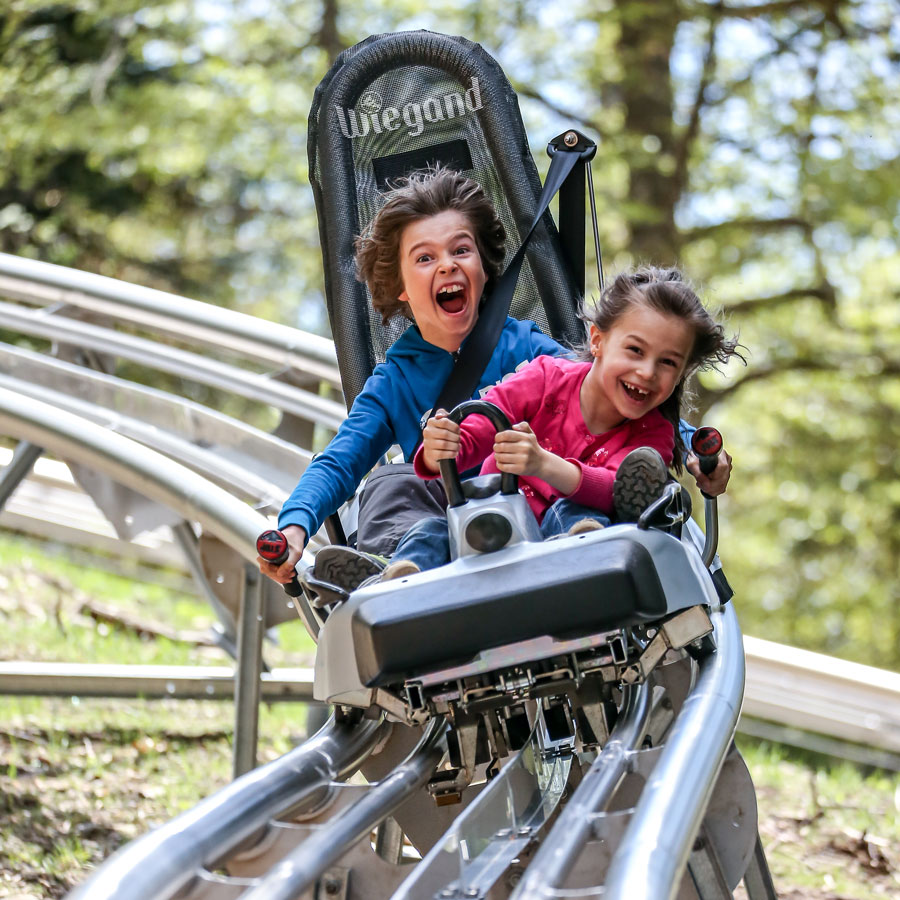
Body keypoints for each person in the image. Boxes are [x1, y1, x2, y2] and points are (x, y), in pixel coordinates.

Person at [257, 167, 571, 595]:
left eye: (461, 250)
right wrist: (294, 527)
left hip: (534, 511)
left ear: (482, 267)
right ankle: (388, 570)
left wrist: (685, 445)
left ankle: (576, 535)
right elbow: (339, 461)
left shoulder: (529, 348)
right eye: (425, 258)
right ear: (401, 286)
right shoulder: (394, 380)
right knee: (390, 481)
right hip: (437, 540)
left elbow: (605, 391)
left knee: (568, 453)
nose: (447, 265)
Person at [379, 266, 743, 578]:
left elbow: (618, 492)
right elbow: (475, 433)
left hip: (566, 553)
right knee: (430, 531)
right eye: (635, 350)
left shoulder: (654, 435)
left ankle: (578, 554)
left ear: (681, 374)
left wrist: (542, 463)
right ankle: (396, 582)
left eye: (667, 363)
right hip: (492, 521)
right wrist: (440, 448)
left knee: (581, 515)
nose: (647, 372)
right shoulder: (545, 376)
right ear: (598, 340)